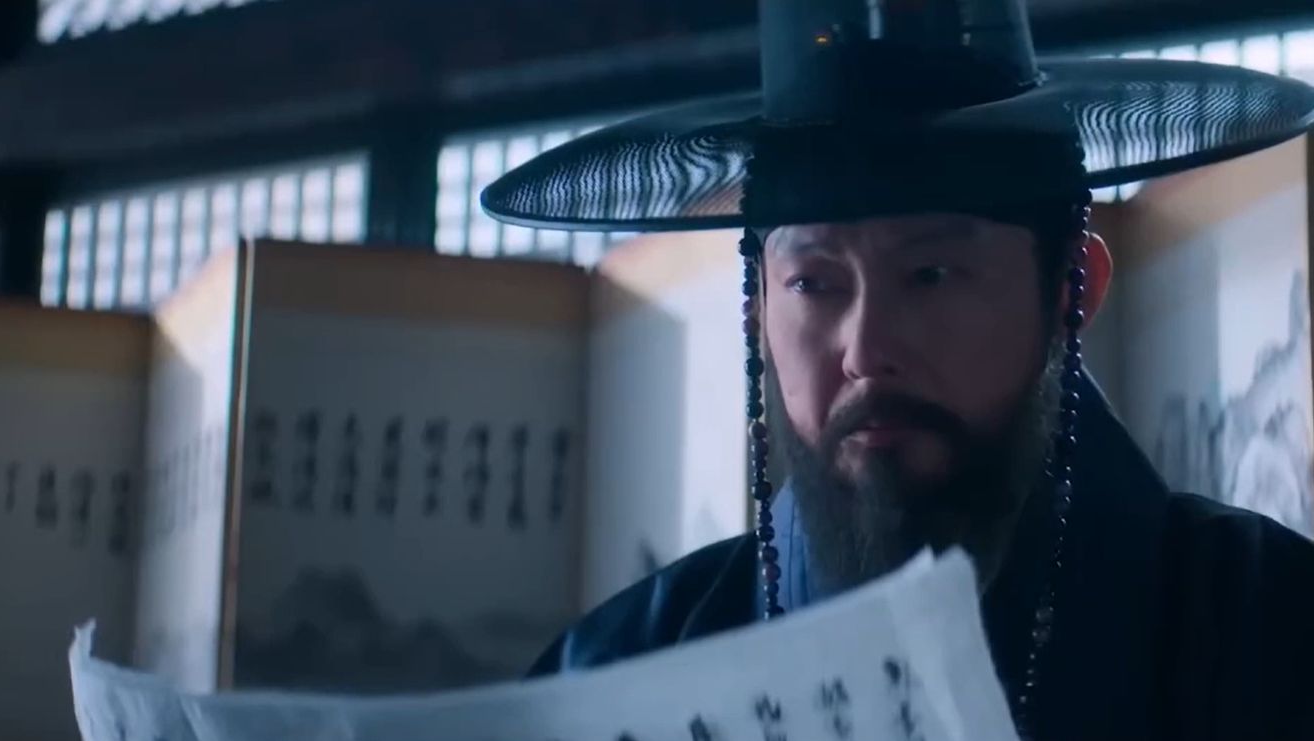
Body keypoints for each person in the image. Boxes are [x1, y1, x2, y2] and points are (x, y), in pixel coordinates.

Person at [480, 0, 1314, 739]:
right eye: (813, 284)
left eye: (931, 274)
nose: (866, 347)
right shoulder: (622, 671)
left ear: (1071, 286)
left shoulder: (1266, 628)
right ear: (758, 310)